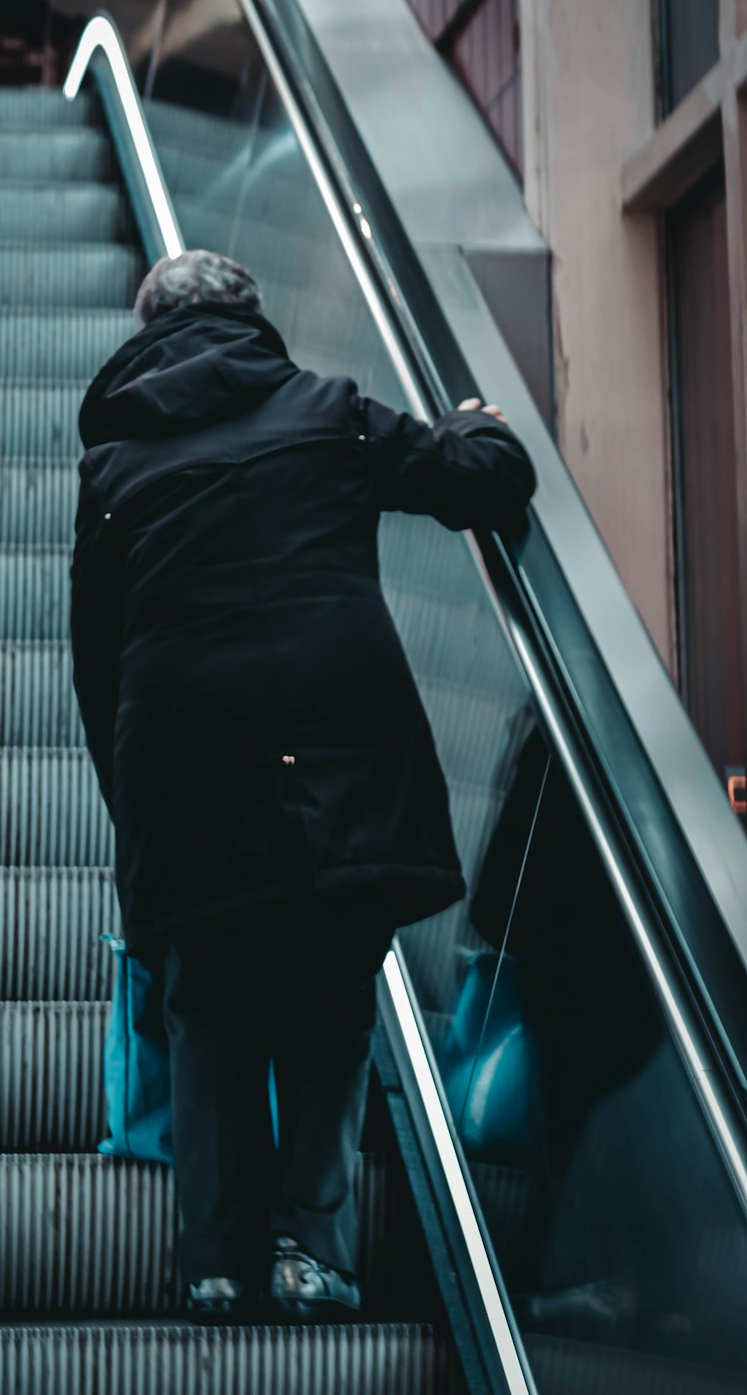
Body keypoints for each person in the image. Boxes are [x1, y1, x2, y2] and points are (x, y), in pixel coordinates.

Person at [70, 249, 536, 1323]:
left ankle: (217, 1267)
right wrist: (483, 424)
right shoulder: (326, 411)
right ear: (251, 316)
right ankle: (310, 1258)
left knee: (210, 1009)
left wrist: (134, 804)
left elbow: (99, 661)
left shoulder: (116, 473)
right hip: (343, 762)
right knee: (328, 1010)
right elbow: (472, 479)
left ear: (147, 333)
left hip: (183, 772)